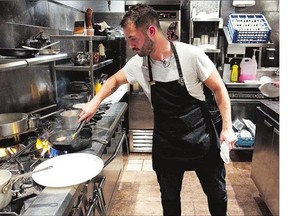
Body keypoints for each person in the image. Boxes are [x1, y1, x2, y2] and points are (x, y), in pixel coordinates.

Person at [78, 4, 236, 216]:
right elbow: (115, 80)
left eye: (133, 38)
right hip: (167, 143)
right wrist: (94, 103)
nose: (131, 45)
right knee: (169, 200)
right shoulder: (138, 64)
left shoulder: (191, 56)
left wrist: (227, 127)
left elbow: (219, 89)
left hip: (201, 138)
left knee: (217, 195)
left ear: (151, 31)